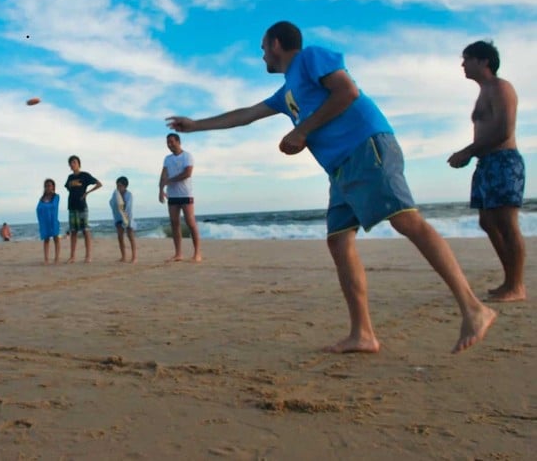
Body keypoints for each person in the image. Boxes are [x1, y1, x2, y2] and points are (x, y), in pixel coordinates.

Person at [166, 21, 496, 354]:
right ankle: (363, 334)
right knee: (338, 241)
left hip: (367, 147)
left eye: (263, 47)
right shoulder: (287, 92)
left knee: (406, 221)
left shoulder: (311, 57)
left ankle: (473, 308)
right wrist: (196, 126)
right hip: (340, 168)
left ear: (277, 43)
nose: (262, 54)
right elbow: (247, 114)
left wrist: (302, 131)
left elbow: (347, 91)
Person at [448, 40, 526, 302]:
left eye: (467, 58)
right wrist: (473, 154)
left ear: (483, 61)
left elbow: (504, 130)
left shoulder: (501, 88)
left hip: (504, 161)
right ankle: (509, 281)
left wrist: (467, 151)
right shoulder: (483, 92)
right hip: (487, 163)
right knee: (487, 221)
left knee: (506, 222)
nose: (462, 64)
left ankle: (516, 286)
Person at [159, 133, 202, 262]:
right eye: (168, 142)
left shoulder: (187, 156)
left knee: (190, 222)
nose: (169, 144)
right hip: (172, 195)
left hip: (185, 194)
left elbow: (187, 173)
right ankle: (178, 253)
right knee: (174, 223)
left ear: (178, 141)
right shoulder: (167, 159)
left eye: (171, 142)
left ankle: (197, 253)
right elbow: (163, 175)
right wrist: (160, 190)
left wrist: (170, 180)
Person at [64, 155, 102, 263]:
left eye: (74, 162)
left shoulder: (85, 175)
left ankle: (88, 256)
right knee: (73, 232)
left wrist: (87, 192)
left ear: (78, 164)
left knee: (85, 231)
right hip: (72, 206)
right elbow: (69, 188)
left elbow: (99, 184)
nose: (72, 164)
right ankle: (72, 256)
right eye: (71, 163)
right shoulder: (70, 178)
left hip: (82, 206)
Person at [110, 176, 137, 263]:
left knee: (130, 236)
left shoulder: (129, 194)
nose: (118, 187)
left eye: (120, 185)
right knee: (120, 237)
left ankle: (134, 257)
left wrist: (126, 218)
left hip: (127, 217)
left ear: (125, 186)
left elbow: (128, 207)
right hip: (118, 217)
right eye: (117, 185)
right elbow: (112, 203)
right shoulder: (115, 194)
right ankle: (123, 256)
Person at [36, 178, 61, 264]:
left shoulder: (56, 196)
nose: (48, 187)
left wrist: (45, 206)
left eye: (49, 185)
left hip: (53, 220)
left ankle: (56, 258)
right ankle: (46, 259)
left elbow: (53, 206)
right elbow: (38, 208)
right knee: (46, 240)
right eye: (46, 186)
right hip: (45, 222)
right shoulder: (42, 198)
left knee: (56, 238)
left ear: (53, 187)